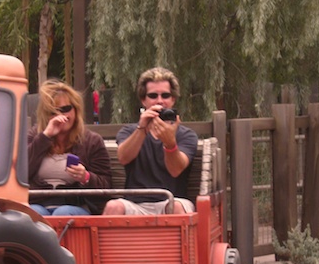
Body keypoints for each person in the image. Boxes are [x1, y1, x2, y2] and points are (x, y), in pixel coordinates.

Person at [103, 67, 198, 215]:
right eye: (153, 96)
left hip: (171, 201)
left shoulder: (187, 135)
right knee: (113, 207)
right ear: (143, 100)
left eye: (165, 95)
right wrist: (142, 129)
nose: (160, 101)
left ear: (173, 99)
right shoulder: (129, 131)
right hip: (135, 204)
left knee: (177, 208)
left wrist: (170, 143)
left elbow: (175, 170)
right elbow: (123, 157)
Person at [27, 79, 112, 216]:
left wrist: (86, 177)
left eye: (66, 109)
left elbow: (106, 186)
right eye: (53, 112)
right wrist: (45, 137)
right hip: (38, 203)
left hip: (74, 205)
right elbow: (21, 173)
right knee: (33, 213)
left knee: (63, 213)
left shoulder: (91, 140)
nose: (61, 116)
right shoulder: (35, 136)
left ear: (76, 110)